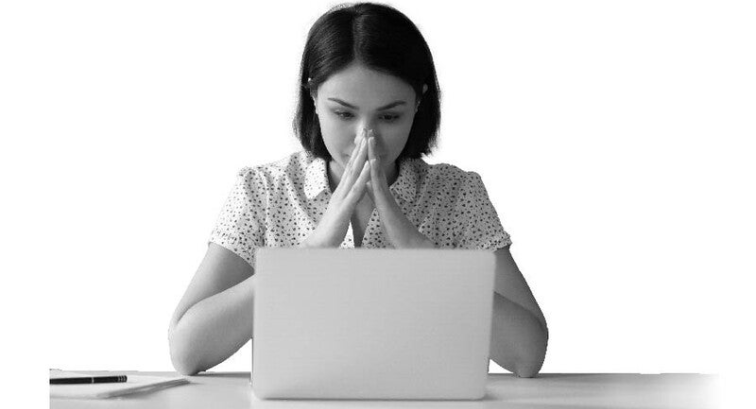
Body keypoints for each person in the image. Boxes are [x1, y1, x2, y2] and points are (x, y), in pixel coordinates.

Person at [168, 1, 548, 378]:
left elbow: (527, 355)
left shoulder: (457, 193)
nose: (366, 138)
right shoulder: (263, 190)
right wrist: (308, 256)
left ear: (419, 102)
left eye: (389, 116)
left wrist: (421, 254)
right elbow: (187, 352)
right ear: (313, 97)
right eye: (344, 113)